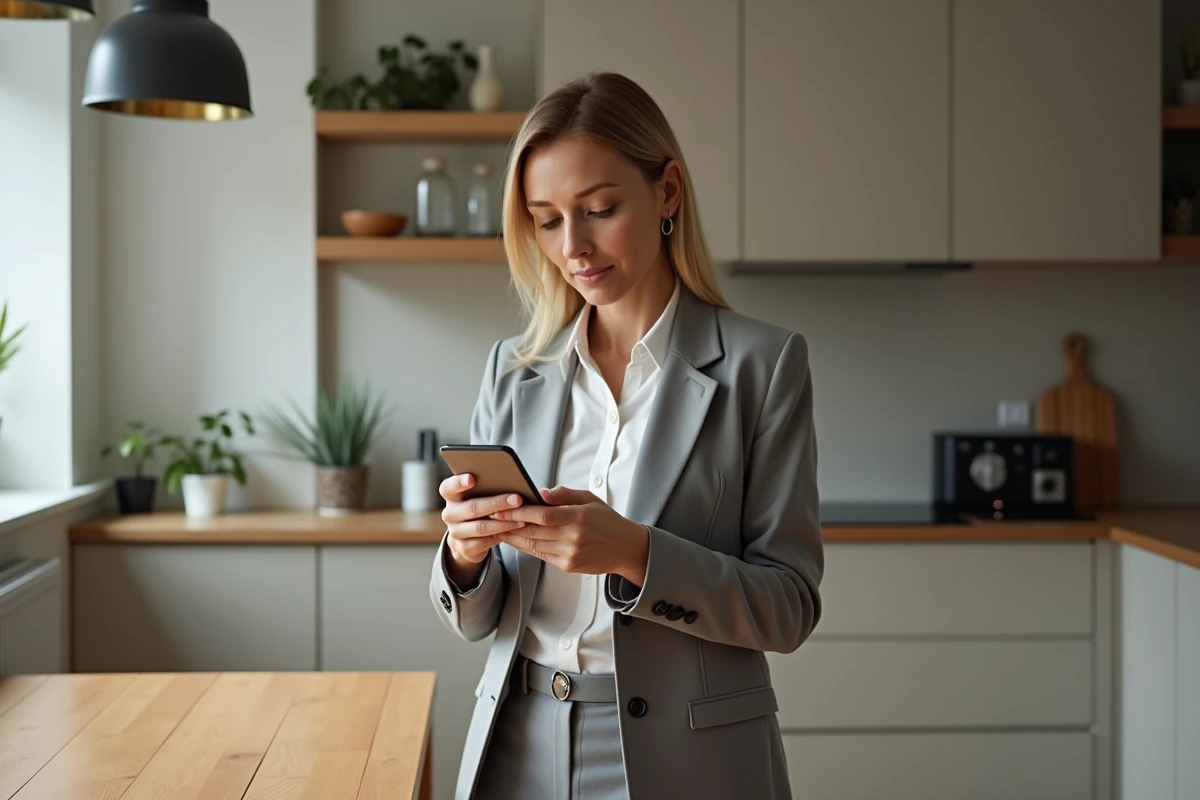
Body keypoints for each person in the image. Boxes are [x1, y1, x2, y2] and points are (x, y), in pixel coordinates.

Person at [429, 71, 823, 800]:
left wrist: (636, 554)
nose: (573, 245)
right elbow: (478, 621)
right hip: (517, 744)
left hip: (691, 759)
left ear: (668, 191)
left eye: (600, 209)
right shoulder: (513, 372)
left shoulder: (763, 366)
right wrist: (463, 553)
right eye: (546, 219)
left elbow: (789, 606)